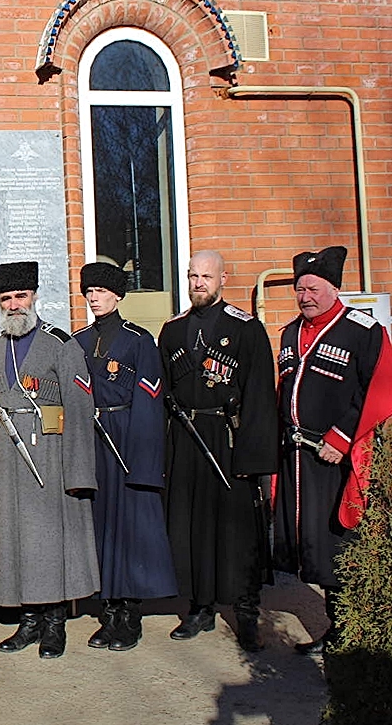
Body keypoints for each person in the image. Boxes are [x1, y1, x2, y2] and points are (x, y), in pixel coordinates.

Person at [0, 261, 99, 659]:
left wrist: (78, 472)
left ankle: (54, 623)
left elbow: (80, 410)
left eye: (20, 297)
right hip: (5, 466)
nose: (14, 305)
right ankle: (28, 621)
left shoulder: (61, 344)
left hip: (49, 459)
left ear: (34, 297)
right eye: (6, 298)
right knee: (14, 541)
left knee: (48, 542)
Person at [274, 246, 391, 654]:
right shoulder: (290, 332)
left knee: (338, 542)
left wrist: (341, 438)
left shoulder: (362, 330)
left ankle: (351, 634)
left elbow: (377, 387)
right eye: (300, 288)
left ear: (333, 288)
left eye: (314, 288)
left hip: (338, 458)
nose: (306, 295)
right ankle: (336, 628)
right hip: (298, 457)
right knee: (313, 545)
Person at [158, 250, 277, 652]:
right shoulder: (173, 331)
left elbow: (261, 397)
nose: (197, 284)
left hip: (227, 439)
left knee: (237, 530)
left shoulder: (246, 329)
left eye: (205, 276)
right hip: (186, 436)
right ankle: (200, 606)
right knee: (191, 526)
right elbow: (164, 396)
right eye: (192, 276)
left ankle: (246, 611)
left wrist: (252, 459)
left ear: (223, 277)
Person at [72, 262, 177, 652]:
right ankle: (109, 611)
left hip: (126, 439)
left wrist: (143, 457)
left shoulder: (138, 340)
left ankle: (129, 615)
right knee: (99, 528)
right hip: (92, 440)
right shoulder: (78, 342)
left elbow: (151, 401)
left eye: (101, 291)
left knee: (128, 529)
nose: (95, 298)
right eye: (89, 292)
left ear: (118, 295)